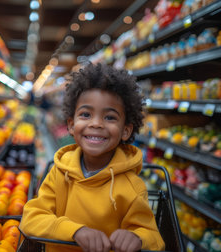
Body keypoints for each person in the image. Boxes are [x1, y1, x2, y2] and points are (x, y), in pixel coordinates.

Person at [20, 63, 165, 252]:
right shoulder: (59, 172)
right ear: (71, 125)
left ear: (126, 130)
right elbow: (30, 219)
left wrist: (137, 237)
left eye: (110, 117)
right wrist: (75, 231)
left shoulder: (132, 187)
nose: (96, 124)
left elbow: (154, 237)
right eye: (86, 114)